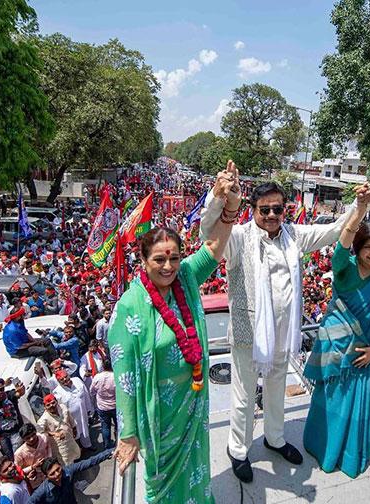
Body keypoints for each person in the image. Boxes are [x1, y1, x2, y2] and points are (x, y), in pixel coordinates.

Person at [199, 173, 370, 483]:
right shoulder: (238, 237)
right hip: (247, 334)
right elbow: (208, 235)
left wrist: (358, 207)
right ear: (252, 209)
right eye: (264, 209)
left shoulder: (294, 235)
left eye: (277, 209)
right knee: (244, 396)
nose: (271, 216)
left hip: (283, 333)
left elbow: (334, 231)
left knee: (277, 386)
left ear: (285, 209)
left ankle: (274, 438)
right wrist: (219, 199)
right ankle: (238, 449)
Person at [110, 160, 240, 503]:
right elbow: (124, 378)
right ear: (143, 260)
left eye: (174, 258)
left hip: (193, 400)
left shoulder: (186, 278)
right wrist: (128, 433)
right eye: (159, 260)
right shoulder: (129, 306)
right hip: (160, 414)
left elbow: (213, 248)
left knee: (197, 468)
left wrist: (231, 207)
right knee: (162, 485)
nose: (168, 267)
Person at [302, 189, 370, 477]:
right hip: (337, 351)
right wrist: (359, 210)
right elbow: (341, 245)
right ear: (358, 247)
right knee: (331, 403)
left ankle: (349, 456)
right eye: (368, 246)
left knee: (361, 409)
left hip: (367, 353)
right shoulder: (344, 268)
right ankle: (324, 450)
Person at [28, 452, 114, 504]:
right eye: (52, 474)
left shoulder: (68, 471)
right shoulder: (42, 491)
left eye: (58, 469)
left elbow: (90, 461)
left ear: (61, 466)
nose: (57, 474)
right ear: (46, 477)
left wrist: (111, 452)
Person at [52, 369, 92, 449]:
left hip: (82, 413)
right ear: (58, 381)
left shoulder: (77, 381)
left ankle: (88, 446)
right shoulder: (57, 392)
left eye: (66, 377)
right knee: (74, 435)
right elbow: (59, 409)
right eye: (61, 379)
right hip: (71, 419)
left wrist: (89, 409)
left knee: (85, 430)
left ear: (68, 375)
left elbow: (86, 394)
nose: (65, 380)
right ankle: (79, 452)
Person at [37, 393, 80, 465]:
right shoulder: (43, 419)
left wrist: (74, 428)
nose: (51, 406)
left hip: (70, 437)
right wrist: (54, 433)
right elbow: (40, 432)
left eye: (53, 403)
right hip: (60, 445)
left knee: (74, 453)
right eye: (48, 405)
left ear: (56, 401)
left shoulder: (62, 407)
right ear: (45, 407)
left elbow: (70, 418)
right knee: (65, 461)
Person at [14, 424, 52, 492]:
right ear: (23, 439)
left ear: (36, 432)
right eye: (28, 438)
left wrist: (48, 462)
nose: (31, 439)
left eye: (33, 435)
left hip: (49, 475)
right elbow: (18, 471)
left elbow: (49, 450)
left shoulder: (44, 438)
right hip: (35, 482)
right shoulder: (19, 453)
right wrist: (33, 467)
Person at [90, 358, 116, 449]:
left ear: (103, 366)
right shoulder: (115, 376)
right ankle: (119, 442)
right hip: (115, 406)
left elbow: (92, 391)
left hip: (102, 407)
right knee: (118, 425)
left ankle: (107, 446)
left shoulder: (97, 377)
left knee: (105, 427)